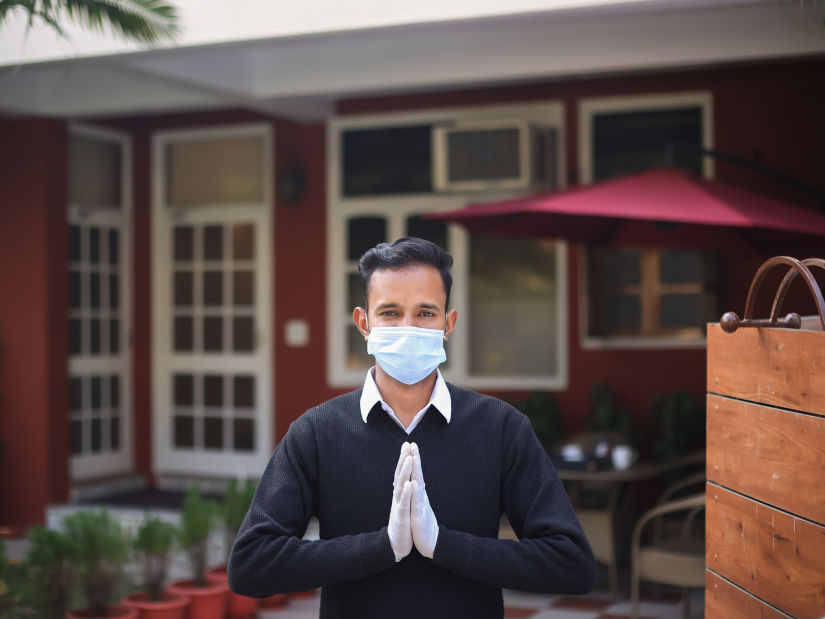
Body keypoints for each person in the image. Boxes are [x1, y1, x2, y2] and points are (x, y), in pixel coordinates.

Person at [228, 237, 595, 618]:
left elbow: (571, 562)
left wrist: (444, 545)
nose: (408, 327)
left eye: (424, 313)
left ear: (448, 323)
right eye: (389, 312)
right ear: (363, 323)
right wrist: (382, 547)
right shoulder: (317, 433)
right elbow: (251, 565)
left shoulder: (501, 429)